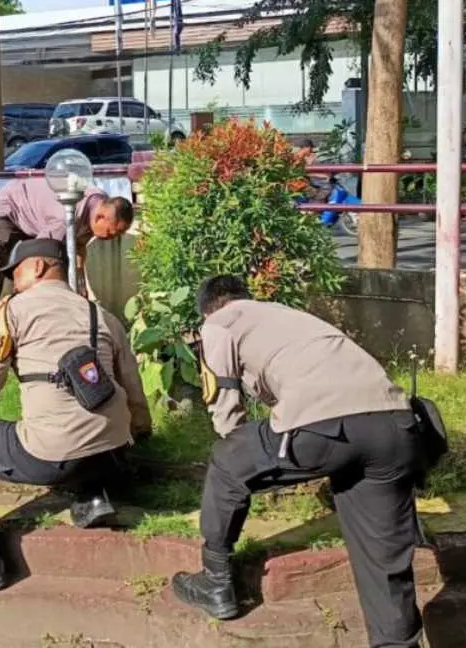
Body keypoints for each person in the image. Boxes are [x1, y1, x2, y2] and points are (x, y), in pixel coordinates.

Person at [171, 275, 425, 648]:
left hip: (327, 427)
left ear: (211, 307)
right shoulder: (288, 316)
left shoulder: (219, 322)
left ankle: (214, 580)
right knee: (382, 561)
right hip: (394, 426)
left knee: (227, 460)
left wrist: (237, 441)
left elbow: (227, 409)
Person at [0, 238, 152, 592]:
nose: (12, 281)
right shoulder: (102, 314)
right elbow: (134, 389)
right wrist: (140, 435)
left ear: (37, 267)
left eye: (15, 272)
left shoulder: (15, 309)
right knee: (83, 420)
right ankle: (93, 498)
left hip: (53, 456)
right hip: (113, 452)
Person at [0, 178, 135, 372]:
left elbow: (79, 245)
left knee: (53, 277)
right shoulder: (65, 217)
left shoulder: (99, 205)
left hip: (37, 221)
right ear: (100, 217)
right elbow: (41, 259)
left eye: (117, 235)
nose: (111, 238)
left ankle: (35, 337)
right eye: (111, 233)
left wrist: (81, 284)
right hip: (7, 210)